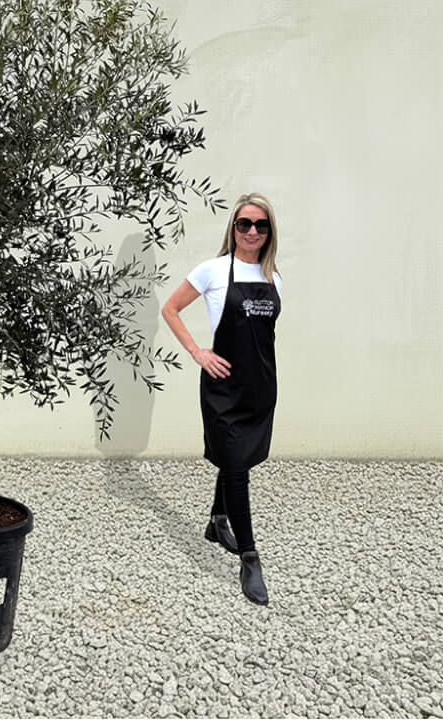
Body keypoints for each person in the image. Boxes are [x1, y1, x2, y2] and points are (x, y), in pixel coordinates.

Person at [161, 192, 282, 605]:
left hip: (260, 387)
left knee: (238, 459)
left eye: (260, 225)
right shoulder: (213, 270)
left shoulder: (273, 276)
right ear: (233, 228)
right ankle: (250, 557)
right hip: (224, 387)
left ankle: (217, 521)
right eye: (244, 224)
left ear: (269, 232)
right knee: (235, 466)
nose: (252, 231)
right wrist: (198, 352)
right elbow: (171, 309)